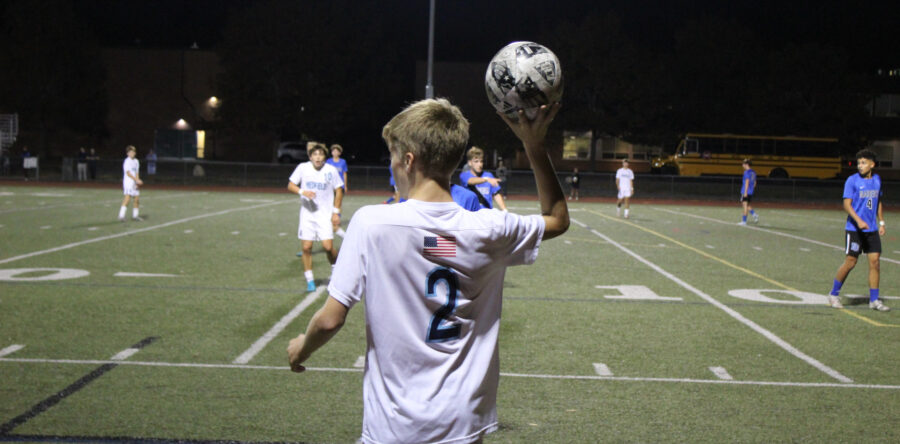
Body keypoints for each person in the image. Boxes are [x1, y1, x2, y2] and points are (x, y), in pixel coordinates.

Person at [287, 98, 568, 444]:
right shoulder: (488, 228)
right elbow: (557, 219)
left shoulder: (371, 223)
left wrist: (302, 348)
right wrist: (534, 145)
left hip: (393, 424)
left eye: (393, 156)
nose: (392, 166)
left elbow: (330, 320)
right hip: (462, 421)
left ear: (408, 160)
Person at [827, 149, 889, 312]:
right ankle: (833, 294)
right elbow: (847, 204)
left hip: (871, 229)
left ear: (872, 164)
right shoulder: (852, 180)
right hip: (854, 229)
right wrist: (859, 220)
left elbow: (875, 201)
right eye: (858, 163)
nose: (860, 166)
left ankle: (874, 300)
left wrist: (881, 222)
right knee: (851, 262)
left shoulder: (876, 180)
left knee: (875, 262)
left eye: (863, 163)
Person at [287, 143, 344, 292]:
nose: (318, 157)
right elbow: (291, 185)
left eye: (321, 154)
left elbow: (339, 190)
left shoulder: (330, 170)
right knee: (306, 248)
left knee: (328, 247)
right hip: (307, 215)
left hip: (324, 215)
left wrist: (336, 212)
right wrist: (303, 192)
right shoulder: (302, 168)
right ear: (310, 157)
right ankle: (310, 281)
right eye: (315, 155)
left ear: (325, 157)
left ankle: (336, 270)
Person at [460, 146, 507, 211]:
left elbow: (496, 194)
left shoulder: (489, 175)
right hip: (471, 214)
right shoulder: (464, 175)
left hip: (487, 214)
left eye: (481, 161)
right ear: (470, 163)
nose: (480, 164)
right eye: (476, 161)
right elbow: (471, 181)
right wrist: (486, 179)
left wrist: (505, 210)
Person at [326, 144, 349, 237]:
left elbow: (344, 174)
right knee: (330, 203)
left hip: (339, 186)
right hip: (330, 186)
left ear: (340, 152)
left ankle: (337, 220)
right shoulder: (328, 161)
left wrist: (345, 185)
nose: (335, 152)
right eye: (333, 151)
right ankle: (330, 219)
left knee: (338, 203)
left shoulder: (343, 162)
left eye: (337, 151)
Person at [118, 145, 143, 221]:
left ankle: (135, 216)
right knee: (127, 198)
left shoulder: (136, 161)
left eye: (133, 152)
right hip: (128, 182)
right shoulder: (127, 161)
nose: (132, 153)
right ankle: (121, 215)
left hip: (134, 182)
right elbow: (128, 173)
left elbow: (137, 172)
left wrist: (137, 181)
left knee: (136, 199)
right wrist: (136, 180)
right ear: (127, 153)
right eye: (130, 152)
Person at [738, 158, 758, 225]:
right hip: (750, 191)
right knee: (747, 204)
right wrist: (751, 189)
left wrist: (745, 192)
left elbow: (747, 182)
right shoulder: (753, 172)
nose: (742, 165)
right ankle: (754, 214)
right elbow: (755, 182)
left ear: (746, 164)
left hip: (745, 191)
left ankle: (744, 221)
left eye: (743, 164)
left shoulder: (746, 172)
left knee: (745, 206)